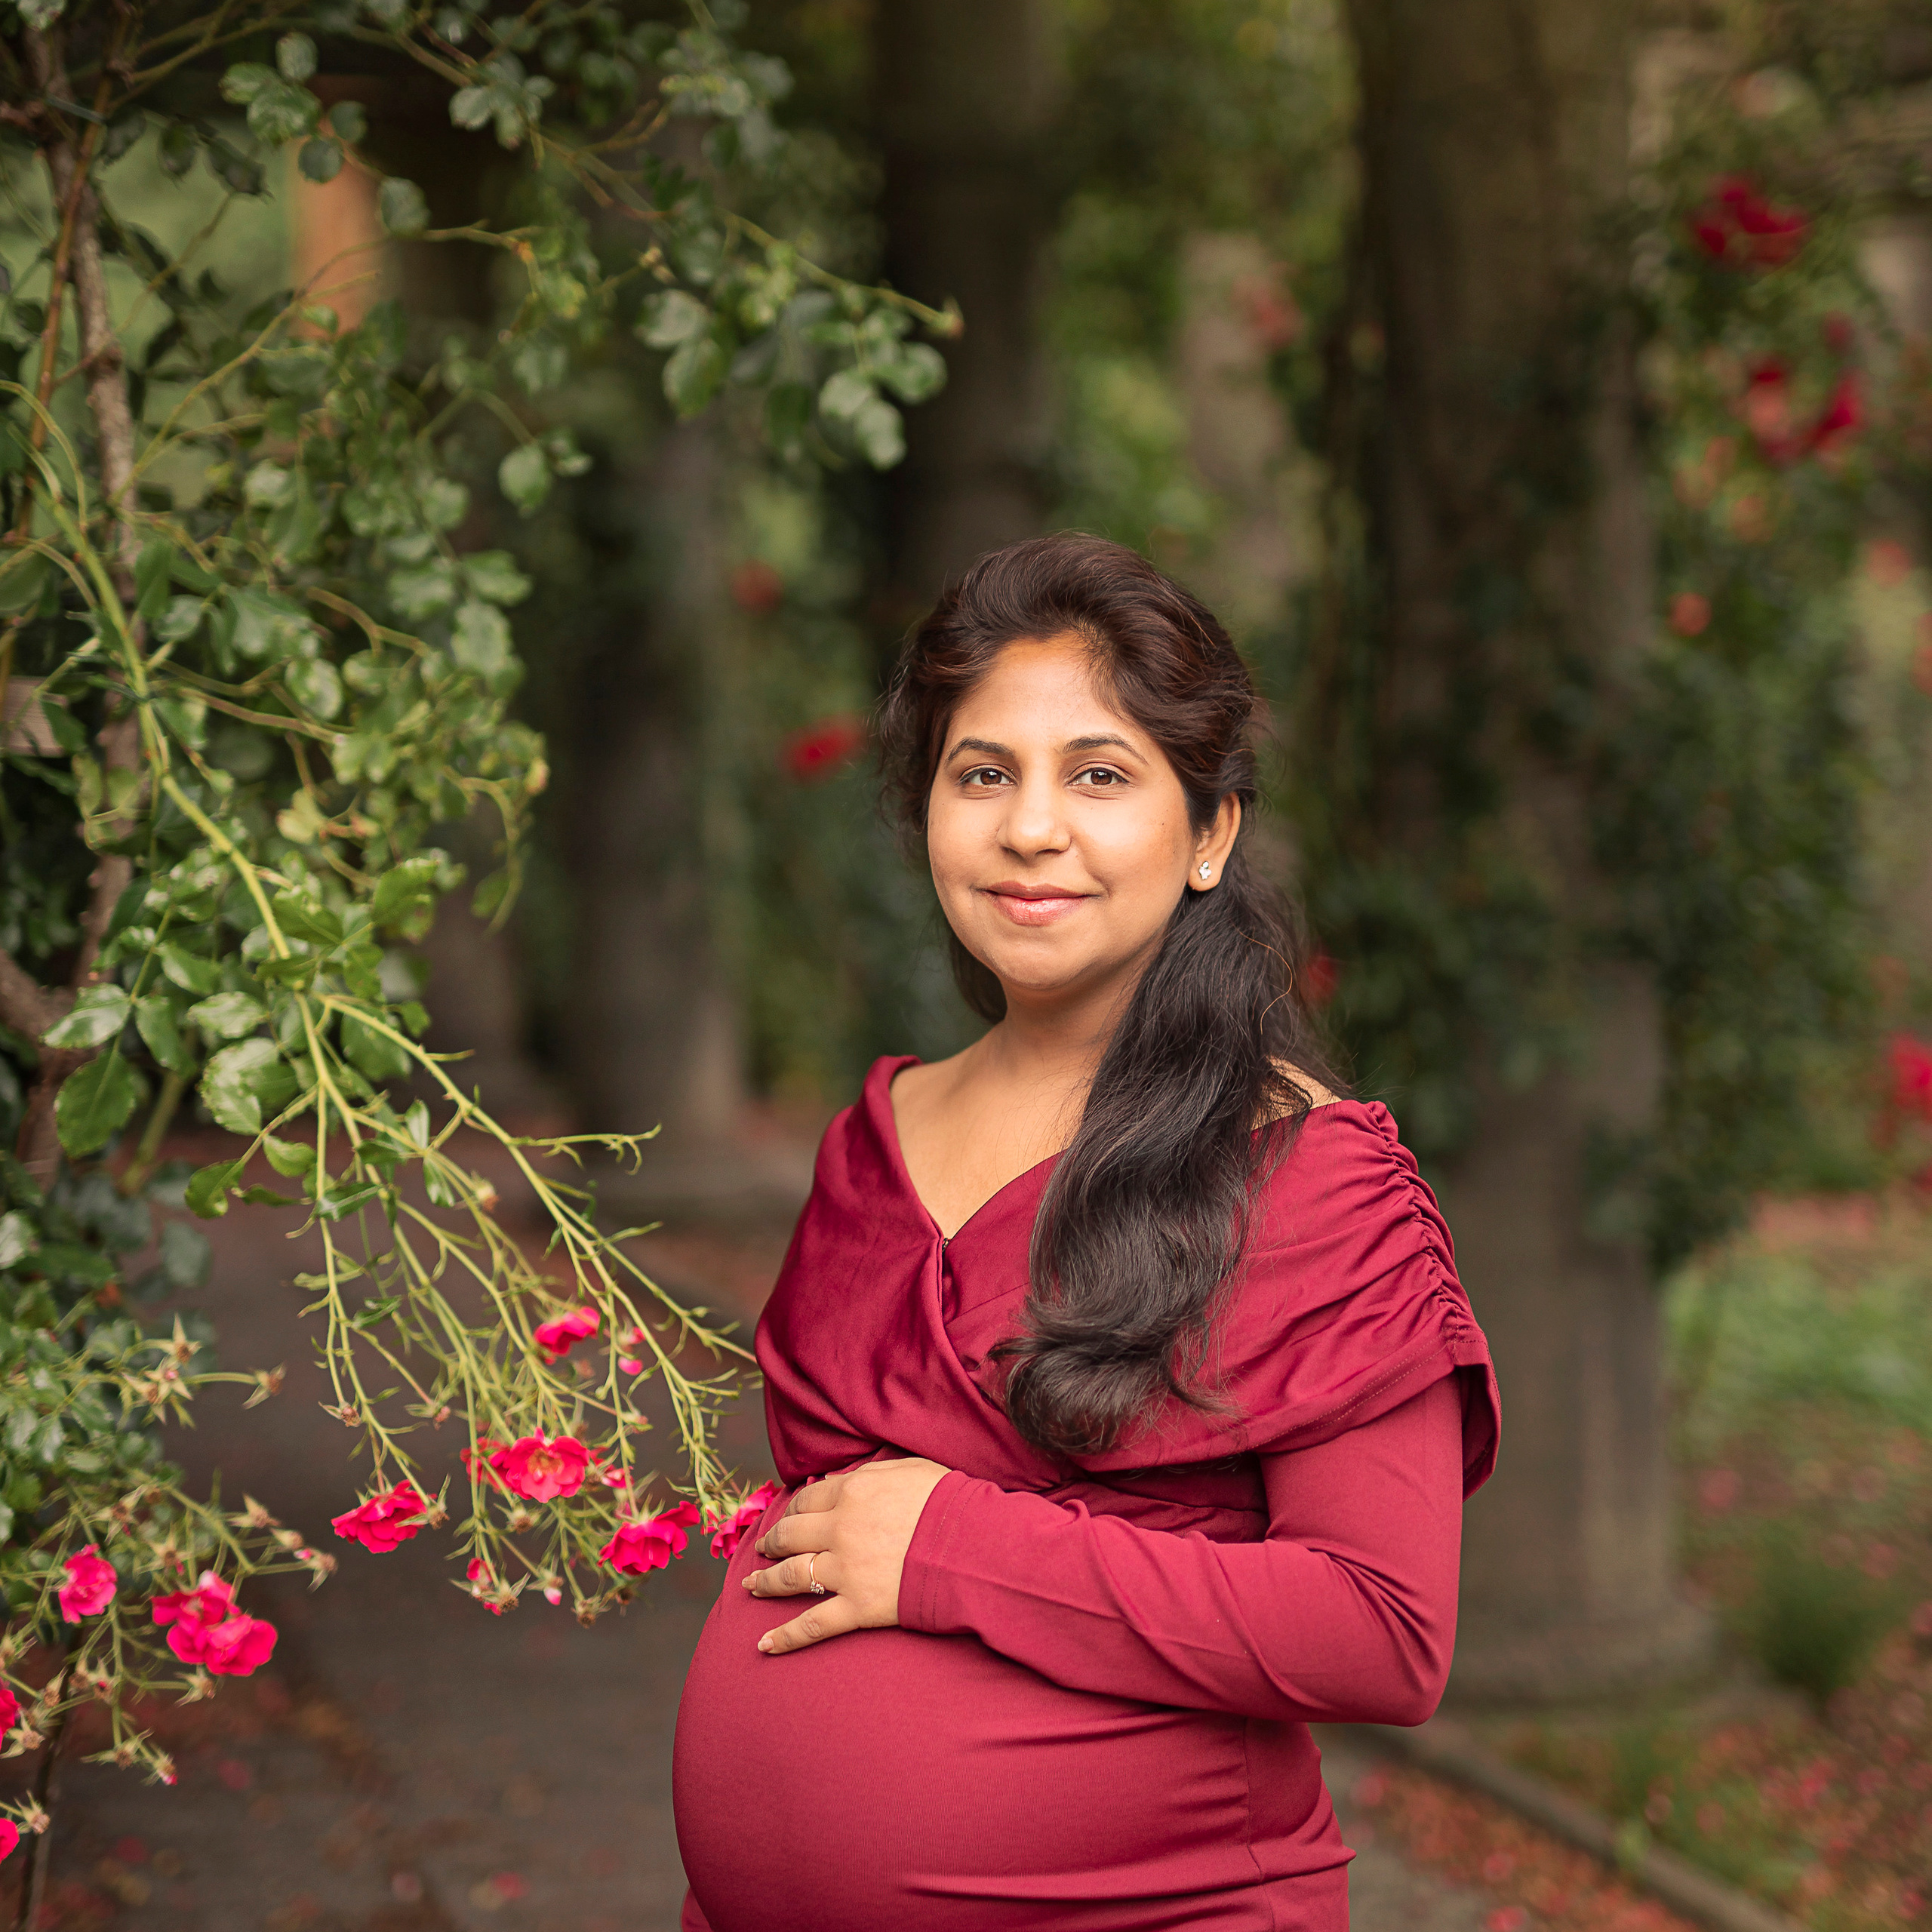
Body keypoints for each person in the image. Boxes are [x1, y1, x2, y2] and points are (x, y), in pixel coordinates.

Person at [672, 535, 1500, 1931]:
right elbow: (827, 1555)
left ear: (1212, 833)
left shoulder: (1305, 1177)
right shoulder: (873, 1138)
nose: (1029, 828)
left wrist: (954, 1552)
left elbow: (1383, 1633)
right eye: (981, 773)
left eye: (1100, 775)